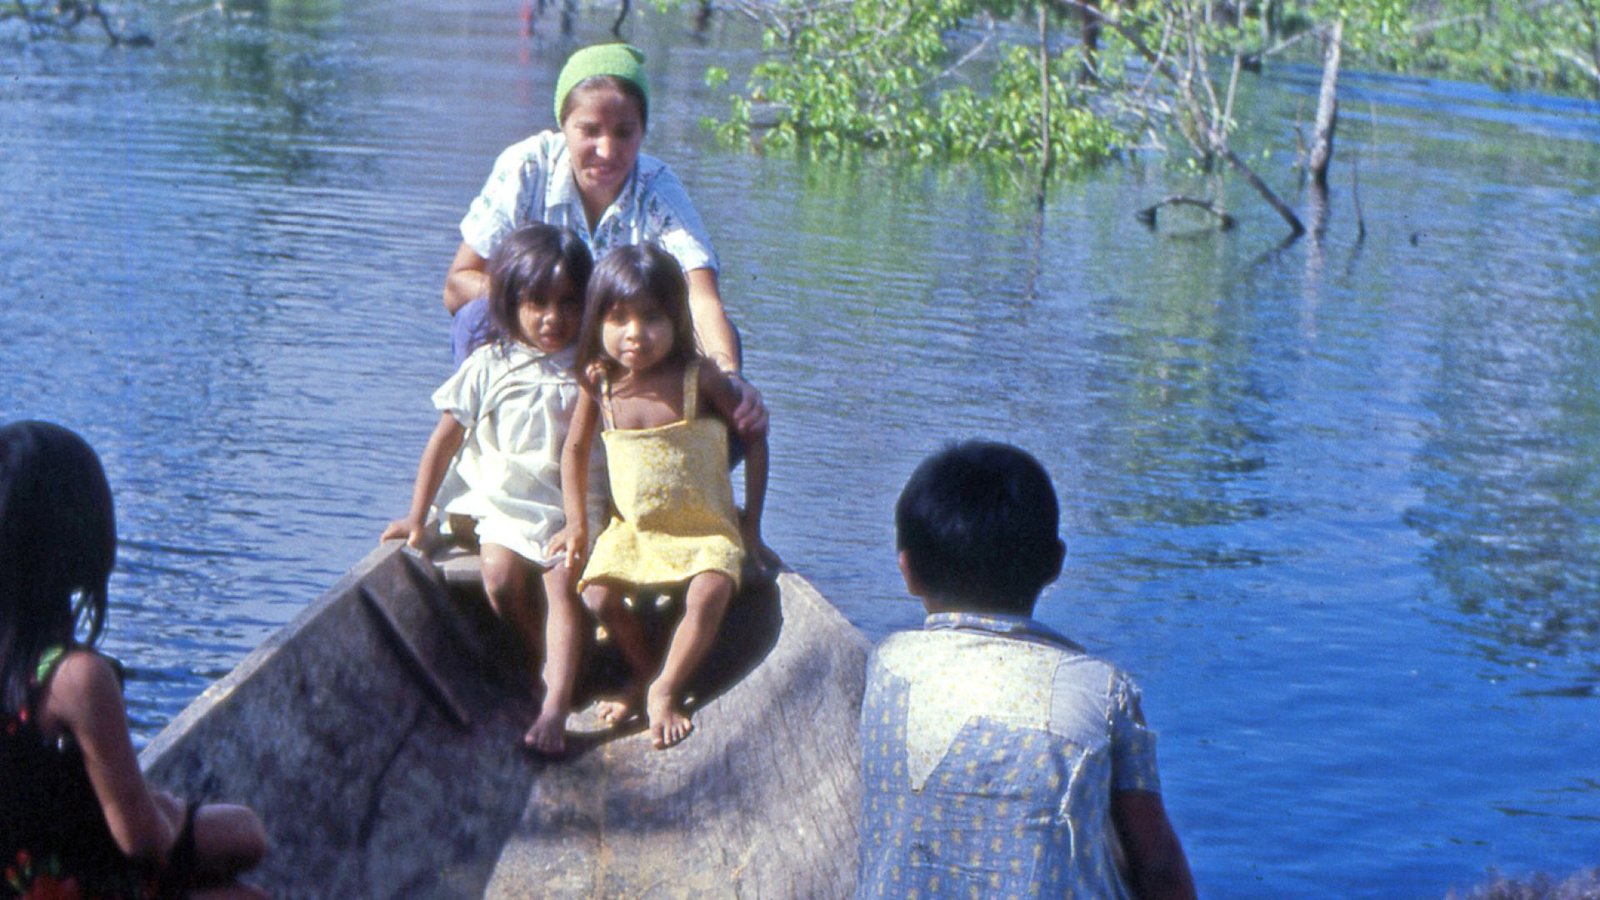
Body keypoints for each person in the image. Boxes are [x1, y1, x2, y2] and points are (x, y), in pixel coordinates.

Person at [857, 440, 1196, 899]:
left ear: (907, 569)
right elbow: (1156, 866)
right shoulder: (1103, 690)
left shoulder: (888, 663)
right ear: (1056, 563)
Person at [444, 41, 764, 443]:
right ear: (563, 125)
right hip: (538, 339)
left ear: (643, 131)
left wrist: (730, 378)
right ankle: (480, 448)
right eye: (590, 131)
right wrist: (540, 301)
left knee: (722, 375)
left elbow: (701, 298)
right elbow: (458, 284)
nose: (607, 150)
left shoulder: (658, 189)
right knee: (474, 320)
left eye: (624, 133)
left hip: (615, 349)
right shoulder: (527, 166)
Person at [0, 420, 268, 899]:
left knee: (241, 831)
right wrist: (166, 808)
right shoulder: (77, 679)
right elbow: (141, 838)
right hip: (63, 884)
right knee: (244, 883)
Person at [382, 224, 607, 756]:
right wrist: (418, 516)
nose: (553, 318)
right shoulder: (490, 364)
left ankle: (556, 703)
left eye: (569, 304)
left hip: (574, 504)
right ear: (510, 302)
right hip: (508, 502)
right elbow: (444, 441)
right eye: (537, 304)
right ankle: (550, 661)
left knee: (560, 584)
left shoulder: (591, 367)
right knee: (501, 579)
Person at [558, 243, 777, 751]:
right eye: (618, 319)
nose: (635, 333)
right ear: (599, 322)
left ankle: (666, 689)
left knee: (711, 590)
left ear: (677, 319)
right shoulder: (601, 384)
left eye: (652, 318)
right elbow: (573, 451)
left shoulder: (698, 378)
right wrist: (577, 524)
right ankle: (644, 672)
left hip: (704, 528)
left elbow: (757, 439)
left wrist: (752, 527)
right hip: (637, 531)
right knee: (597, 594)